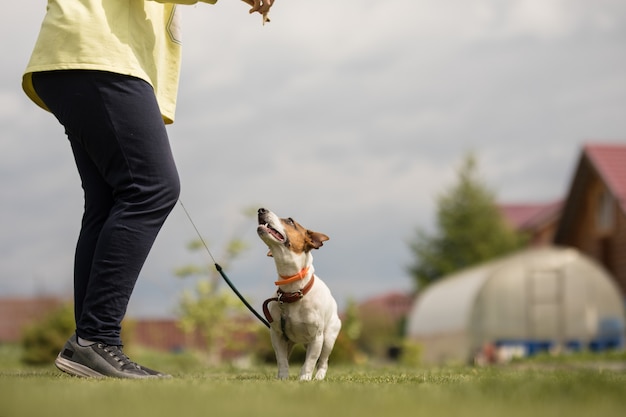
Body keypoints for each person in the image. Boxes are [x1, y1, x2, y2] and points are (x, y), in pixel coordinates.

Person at [22, 0, 275, 379]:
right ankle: (96, 338)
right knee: (152, 188)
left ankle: (89, 347)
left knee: (107, 201)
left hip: (74, 56)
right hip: (98, 54)